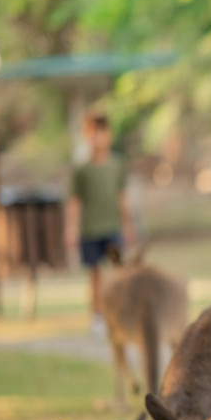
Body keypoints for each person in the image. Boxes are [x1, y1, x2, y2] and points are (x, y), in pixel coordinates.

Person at [65, 113, 134, 333]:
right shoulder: (82, 169)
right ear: (86, 136)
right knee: (95, 274)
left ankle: (121, 313)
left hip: (112, 229)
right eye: (93, 133)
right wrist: (71, 228)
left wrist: (128, 224)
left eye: (101, 132)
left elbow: (122, 196)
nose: (97, 137)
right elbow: (75, 201)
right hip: (91, 230)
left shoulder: (117, 164)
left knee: (118, 270)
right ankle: (97, 316)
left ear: (109, 135)